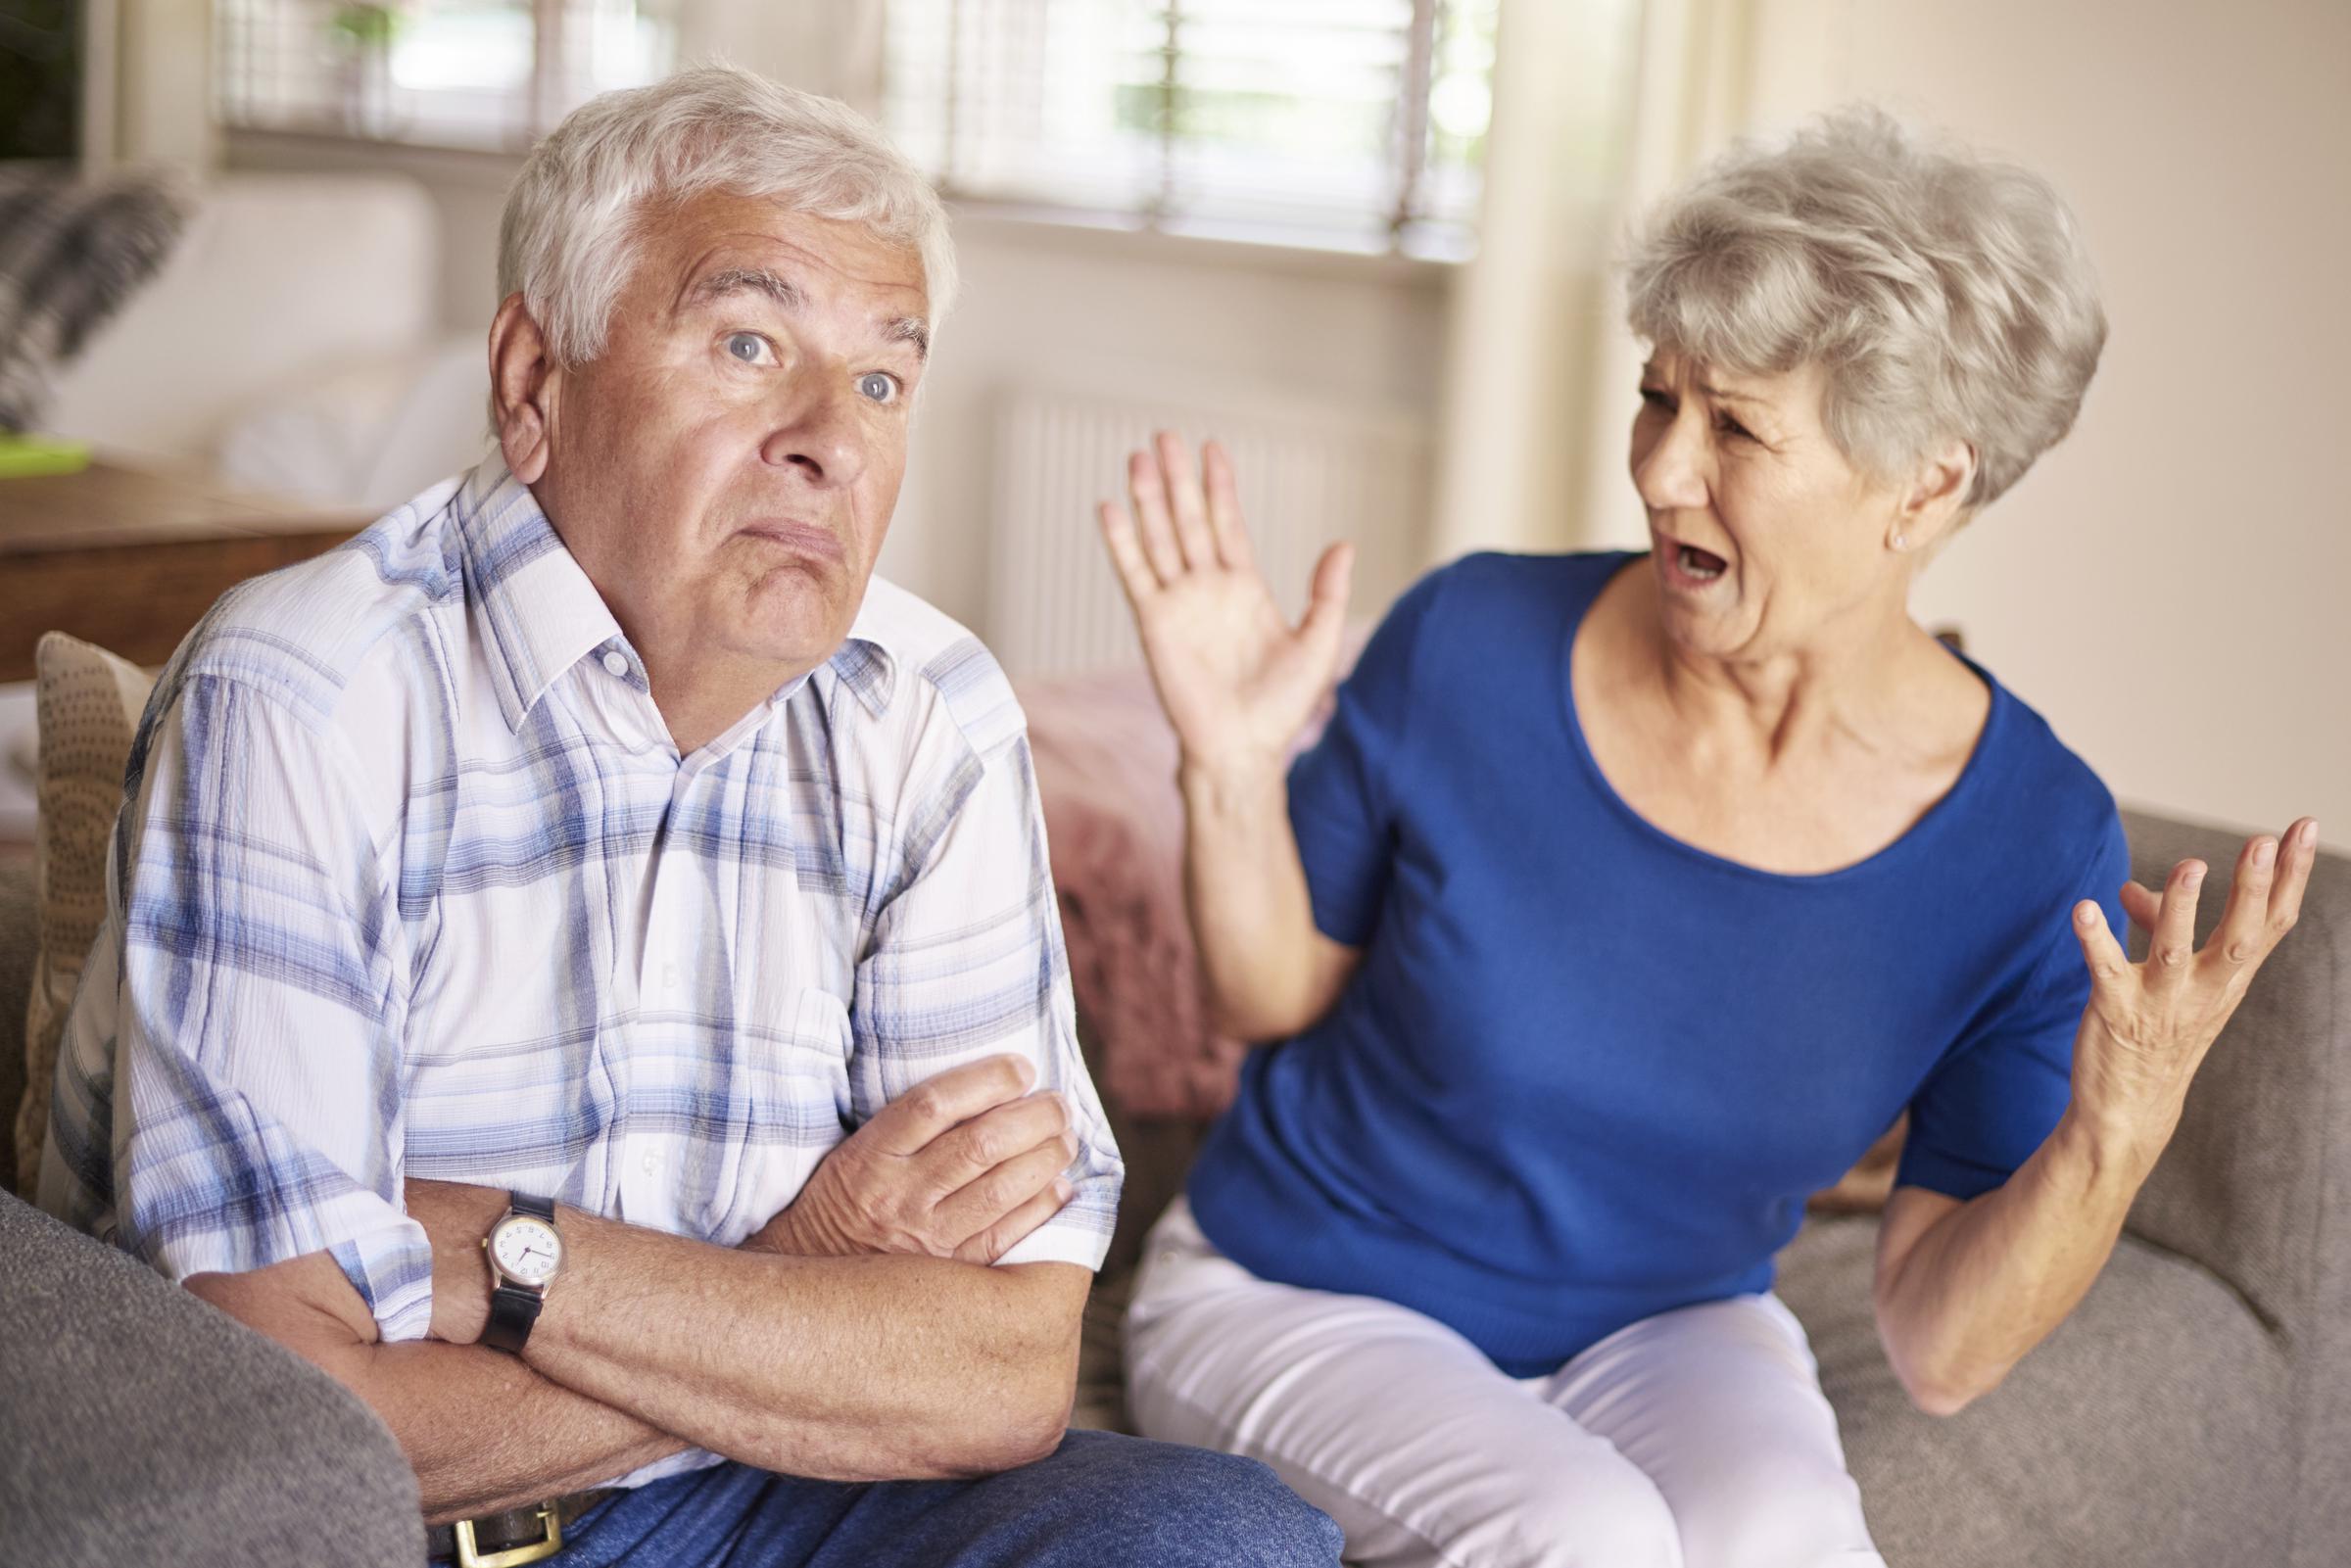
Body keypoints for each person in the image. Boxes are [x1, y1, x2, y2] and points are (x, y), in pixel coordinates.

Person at [38, 65, 1340, 1568]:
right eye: (746, 340)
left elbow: (1001, 1370)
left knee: (1221, 1533)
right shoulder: (301, 698)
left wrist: (504, 1254)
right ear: (534, 382)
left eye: (882, 379)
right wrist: (801, 1279)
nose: (830, 439)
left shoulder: (931, 712)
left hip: (786, 1505)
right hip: (397, 1534)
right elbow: (299, 1408)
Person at [1099, 107, 2317, 1568]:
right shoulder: (1472, 638)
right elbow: (1266, 993)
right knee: (1587, 1533)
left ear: (1927, 482)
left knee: (1789, 1540)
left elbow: (1941, 1346)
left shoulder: (2031, 840)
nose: (1663, 469)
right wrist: (1226, 768)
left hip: (1670, 1318)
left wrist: (2114, 1137)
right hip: (1299, 1286)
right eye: (1659, 397)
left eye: (1737, 426)